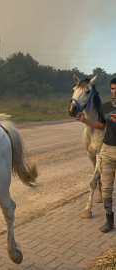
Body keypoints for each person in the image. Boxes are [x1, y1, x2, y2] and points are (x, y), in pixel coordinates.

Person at [76, 78, 116, 233]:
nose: (114, 91)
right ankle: (109, 221)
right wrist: (84, 120)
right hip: (107, 150)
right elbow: (100, 125)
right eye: (112, 88)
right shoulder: (105, 107)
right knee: (106, 188)